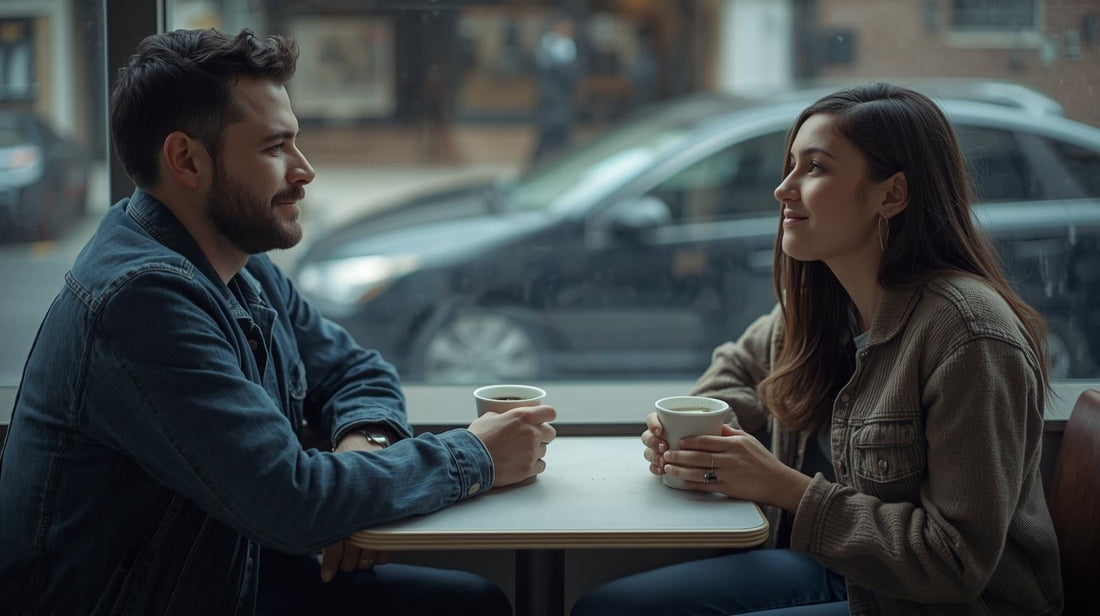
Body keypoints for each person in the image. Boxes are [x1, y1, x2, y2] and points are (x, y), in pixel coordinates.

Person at [0, 28, 556, 615]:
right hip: (156, 599)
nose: (305, 170)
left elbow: (354, 369)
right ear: (186, 159)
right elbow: (292, 501)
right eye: (274, 148)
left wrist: (360, 455)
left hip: (225, 569)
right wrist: (478, 458)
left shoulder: (235, 258)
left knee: (471, 603)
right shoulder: (144, 298)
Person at [572, 83, 1064, 615]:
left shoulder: (970, 337)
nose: (783, 189)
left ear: (891, 195)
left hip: (937, 605)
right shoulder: (827, 300)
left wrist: (782, 486)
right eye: (791, 165)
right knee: (607, 607)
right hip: (842, 573)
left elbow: (953, 562)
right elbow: (738, 369)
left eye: (815, 168)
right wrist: (700, 436)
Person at [531, 13, 579, 164]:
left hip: (561, 98)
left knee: (559, 133)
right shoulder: (550, 45)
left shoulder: (566, 45)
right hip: (552, 97)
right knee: (550, 132)